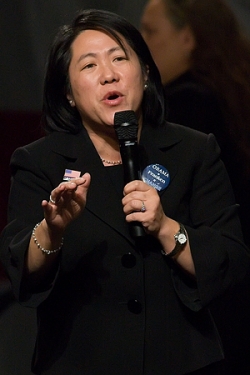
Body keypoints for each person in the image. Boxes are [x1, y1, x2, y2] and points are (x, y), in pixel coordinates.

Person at [0, 8, 249, 375]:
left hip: (184, 364)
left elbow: (231, 262)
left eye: (119, 58)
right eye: (89, 66)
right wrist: (51, 230)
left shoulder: (194, 151)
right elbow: (19, 269)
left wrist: (166, 228)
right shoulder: (39, 162)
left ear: (145, 73)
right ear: (68, 93)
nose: (108, 74)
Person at [140, 0, 250, 248]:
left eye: (151, 31)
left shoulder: (187, 104)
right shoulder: (231, 92)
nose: (140, 44)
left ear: (187, 38)